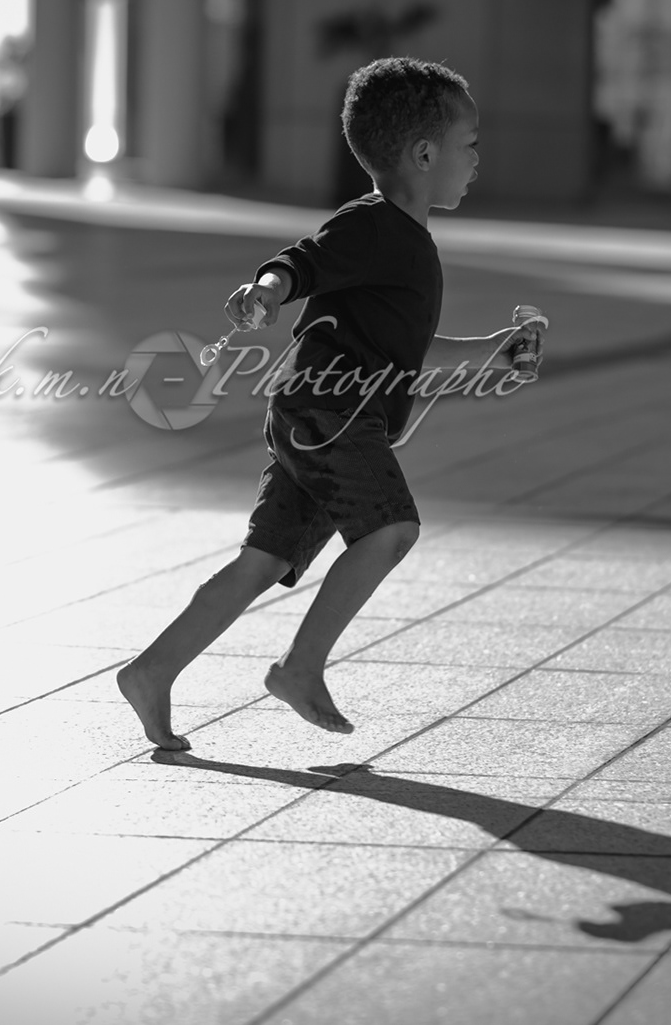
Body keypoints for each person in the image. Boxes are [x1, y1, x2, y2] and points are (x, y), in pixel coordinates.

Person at [117, 57, 544, 751]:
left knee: (262, 560)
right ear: (424, 155)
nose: (476, 159)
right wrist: (266, 290)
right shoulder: (372, 226)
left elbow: (404, 347)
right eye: (469, 144)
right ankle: (300, 667)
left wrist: (491, 351)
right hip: (326, 414)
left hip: (316, 413)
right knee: (390, 531)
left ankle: (151, 671)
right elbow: (302, 261)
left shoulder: (403, 238)